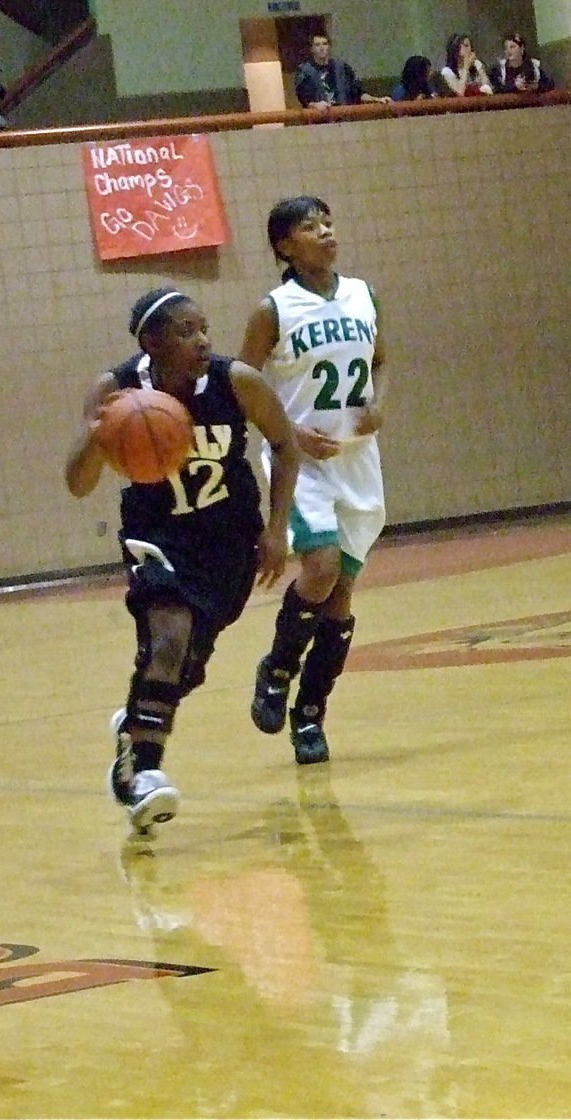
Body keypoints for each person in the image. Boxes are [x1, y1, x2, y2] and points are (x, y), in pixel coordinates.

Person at [64, 287, 299, 835]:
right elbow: (77, 484)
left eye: (204, 328)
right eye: (186, 331)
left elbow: (286, 446)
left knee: (184, 666)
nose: (203, 340)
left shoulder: (235, 380)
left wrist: (276, 527)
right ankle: (144, 774)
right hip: (157, 535)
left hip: (228, 537)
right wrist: (99, 438)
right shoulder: (116, 390)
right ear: (151, 341)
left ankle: (136, 724)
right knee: (167, 638)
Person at [239, 196, 389, 765]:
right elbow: (242, 386)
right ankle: (277, 668)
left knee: (341, 597)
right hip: (300, 463)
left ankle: (311, 713)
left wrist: (377, 406)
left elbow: (378, 364)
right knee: (320, 568)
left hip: (357, 457)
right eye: (309, 227)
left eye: (328, 222)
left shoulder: (363, 294)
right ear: (284, 246)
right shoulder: (273, 310)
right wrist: (290, 434)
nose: (325, 232)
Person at [294, 34, 392, 113]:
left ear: (329, 47)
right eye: (317, 45)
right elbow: (304, 99)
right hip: (320, 120)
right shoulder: (305, 71)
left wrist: (376, 99)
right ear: (312, 49)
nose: (322, 48)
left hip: (344, 116)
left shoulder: (341, 67)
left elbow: (358, 93)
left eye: (324, 44)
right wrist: (315, 105)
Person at [490, 31, 554, 94]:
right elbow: (495, 89)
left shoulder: (535, 65)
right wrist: (514, 86)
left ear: (522, 48)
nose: (508, 51)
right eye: (506, 48)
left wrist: (536, 86)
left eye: (512, 47)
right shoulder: (499, 69)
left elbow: (549, 85)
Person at [438, 33, 494, 97]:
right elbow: (460, 92)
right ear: (456, 49)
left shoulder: (476, 66)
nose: (470, 49)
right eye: (466, 45)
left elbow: (488, 89)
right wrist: (466, 67)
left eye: (470, 46)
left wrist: (480, 69)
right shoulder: (447, 71)